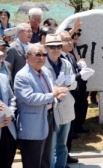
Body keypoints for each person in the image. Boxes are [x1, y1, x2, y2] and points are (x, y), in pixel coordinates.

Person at [14, 43, 68, 168]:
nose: (42, 58)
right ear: (27, 56)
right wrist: (52, 95)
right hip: (32, 124)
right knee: (33, 161)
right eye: (38, 54)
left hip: (48, 118)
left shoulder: (45, 71)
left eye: (44, 54)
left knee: (46, 159)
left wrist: (57, 96)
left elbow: (50, 91)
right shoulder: (22, 76)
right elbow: (29, 98)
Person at [43, 34, 77, 168]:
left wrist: (68, 84)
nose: (56, 49)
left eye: (58, 46)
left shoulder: (66, 63)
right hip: (51, 109)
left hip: (66, 107)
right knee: (51, 146)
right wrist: (54, 89)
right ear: (46, 47)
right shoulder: (42, 64)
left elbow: (73, 84)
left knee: (63, 144)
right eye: (52, 46)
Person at [60, 30, 90, 164]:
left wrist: (81, 69)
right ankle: (62, 158)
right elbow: (65, 80)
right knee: (63, 133)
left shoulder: (70, 57)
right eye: (66, 40)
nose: (70, 42)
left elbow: (74, 74)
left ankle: (66, 155)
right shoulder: (59, 59)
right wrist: (80, 74)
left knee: (69, 129)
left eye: (70, 39)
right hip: (64, 98)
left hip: (73, 96)